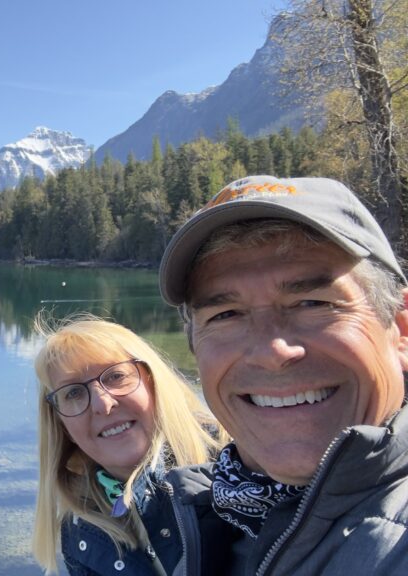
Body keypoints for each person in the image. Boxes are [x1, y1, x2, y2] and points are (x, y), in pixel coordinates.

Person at [155, 175, 408, 575]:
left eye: (312, 302)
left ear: (401, 330)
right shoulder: (200, 514)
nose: (273, 352)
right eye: (226, 315)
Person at [32, 314, 222, 575]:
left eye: (115, 376)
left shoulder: (236, 464)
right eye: (73, 393)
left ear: (153, 382)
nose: (103, 404)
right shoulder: (80, 531)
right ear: (62, 426)